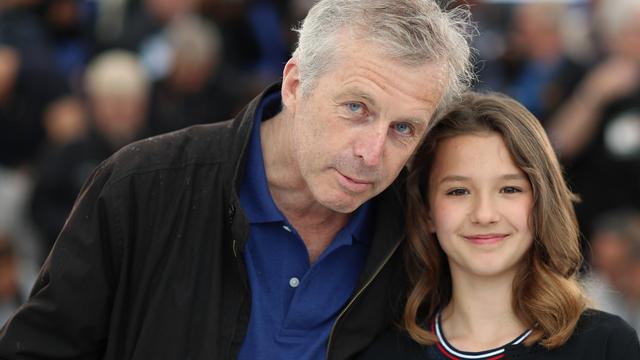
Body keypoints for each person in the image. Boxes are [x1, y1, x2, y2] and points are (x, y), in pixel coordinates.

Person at [0, 1, 474, 359]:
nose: (372, 153)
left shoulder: (423, 235)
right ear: (295, 85)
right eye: (356, 108)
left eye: (403, 128)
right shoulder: (143, 185)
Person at [358, 92, 640, 359]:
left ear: (542, 202)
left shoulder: (605, 345)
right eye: (458, 191)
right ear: (427, 212)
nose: (484, 214)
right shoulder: (385, 352)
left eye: (509, 189)